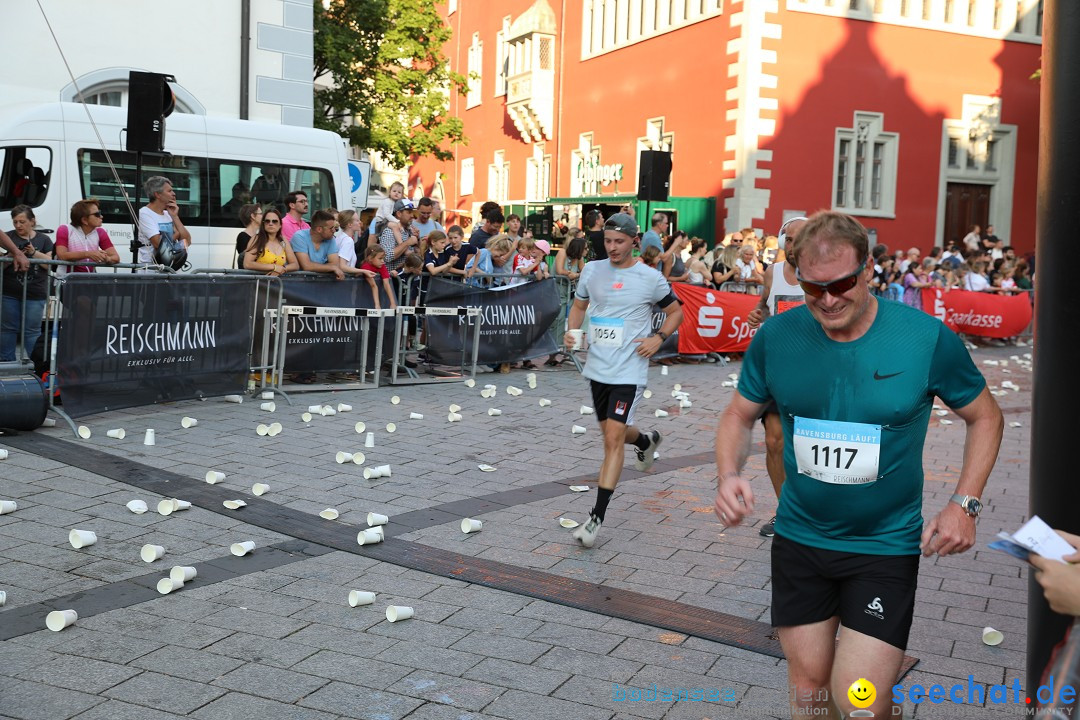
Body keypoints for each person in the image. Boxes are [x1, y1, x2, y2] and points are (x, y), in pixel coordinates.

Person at [714, 210, 1003, 719]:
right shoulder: (777, 337)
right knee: (809, 689)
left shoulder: (923, 338)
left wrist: (965, 504)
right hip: (801, 542)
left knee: (858, 699)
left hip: (883, 547)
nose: (828, 300)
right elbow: (739, 415)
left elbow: (986, 416)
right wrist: (728, 473)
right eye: (812, 287)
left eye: (842, 283)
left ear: (869, 269)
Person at [564, 212, 683, 548]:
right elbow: (578, 305)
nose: (612, 248)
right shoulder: (592, 270)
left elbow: (676, 312)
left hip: (630, 368)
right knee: (613, 433)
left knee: (612, 439)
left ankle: (595, 518)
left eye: (619, 242)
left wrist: (658, 338)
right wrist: (573, 331)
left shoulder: (649, 278)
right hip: (598, 366)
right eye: (607, 242)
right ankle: (645, 441)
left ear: (635, 241)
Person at [745, 216, 808, 538]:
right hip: (776, 368)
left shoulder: (820, 274)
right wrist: (759, 313)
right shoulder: (771, 273)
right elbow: (764, 307)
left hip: (812, 372)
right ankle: (786, 512)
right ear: (783, 241)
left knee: (807, 445)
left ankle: (810, 508)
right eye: (790, 238)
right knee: (774, 441)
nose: (795, 244)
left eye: (801, 238)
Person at [1, 205, 54, 362]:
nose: (18, 226)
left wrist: (32, 253)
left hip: (35, 293)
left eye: (22, 222)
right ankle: (6, 364)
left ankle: (35, 364)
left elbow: (50, 264)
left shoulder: (44, 239)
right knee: (7, 329)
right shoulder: (8, 237)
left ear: (32, 221)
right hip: (9, 291)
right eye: (15, 222)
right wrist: (12, 254)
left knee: (32, 331)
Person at [137, 176, 191, 271]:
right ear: (157, 194)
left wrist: (175, 217)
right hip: (150, 271)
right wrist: (176, 234)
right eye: (169, 191)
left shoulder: (168, 214)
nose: (173, 194)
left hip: (168, 269)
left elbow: (187, 241)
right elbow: (159, 244)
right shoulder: (145, 213)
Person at [54, 199, 120, 274]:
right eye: (97, 214)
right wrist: (88, 254)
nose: (101, 216)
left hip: (89, 280)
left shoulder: (100, 232)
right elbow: (62, 256)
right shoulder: (64, 229)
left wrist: (107, 258)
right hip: (66, 280)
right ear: (84, 220)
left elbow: (116, 257)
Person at [290, 209, 344, 280]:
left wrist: (332, 267)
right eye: (331, 228)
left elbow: (335, 264)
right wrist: (331, 267)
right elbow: (306, 266)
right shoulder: (300, 236)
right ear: (319, 229)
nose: (334, 231)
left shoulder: (330, 239)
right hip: (298, 283)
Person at [243, 208, 298, 277]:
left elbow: (295, 264)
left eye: (274, 221)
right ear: (263, 224)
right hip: (258, 283)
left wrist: (282, 269)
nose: (270, 223)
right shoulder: (257, 239)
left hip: (278, 283)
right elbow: (247, 264)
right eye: (267, 221)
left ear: (280, 225)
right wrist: (274, 267)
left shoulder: (283, 240)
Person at [379, 199, 421, 274]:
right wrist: (407, 243)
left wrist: (418, 240)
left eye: (412, 212)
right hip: (391, 280)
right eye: (409, 212)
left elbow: (416, 254)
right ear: (399, 214)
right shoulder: (389, 231)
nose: (412, 216)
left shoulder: (409, 230)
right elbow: (387, 256)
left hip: (405, 279)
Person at [359, 245, 397, 311]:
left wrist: (393, 303)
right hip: (362, 295)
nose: (383, 261)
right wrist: (377, 305)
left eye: (383, 258)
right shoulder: (366, 266)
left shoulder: (382, 266)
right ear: (370, 258)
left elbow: (387, 284)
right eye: (380, 258)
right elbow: (374, 286)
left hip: (375, 296)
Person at [234, 204, 262, 269]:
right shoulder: (243, 236)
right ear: (253, 216)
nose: (263, 216)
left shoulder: (259, 235)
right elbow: (245, 259)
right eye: (260, 214)